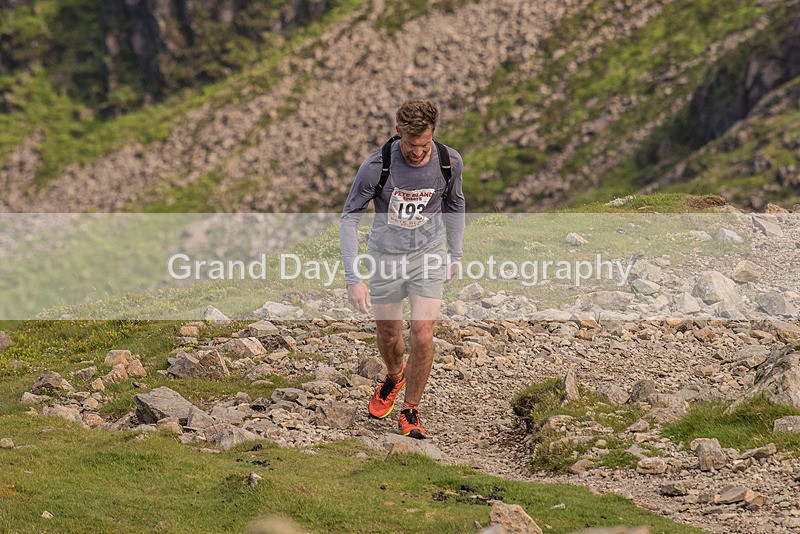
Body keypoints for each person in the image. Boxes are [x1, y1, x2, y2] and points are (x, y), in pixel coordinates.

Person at [340, 99, 465, 439]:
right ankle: (395, 375)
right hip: (386, 256)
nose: (418, 152)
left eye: (424, 144)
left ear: (433, 133)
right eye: (411, 144)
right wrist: (353, 279)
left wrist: (455, 254)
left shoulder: (449, 161)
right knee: (389, 334)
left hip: (428, 255)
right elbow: (350, 219)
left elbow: (455, 204)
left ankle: (410, 409)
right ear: (398, 132)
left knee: (422, 334)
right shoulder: (376, 166)